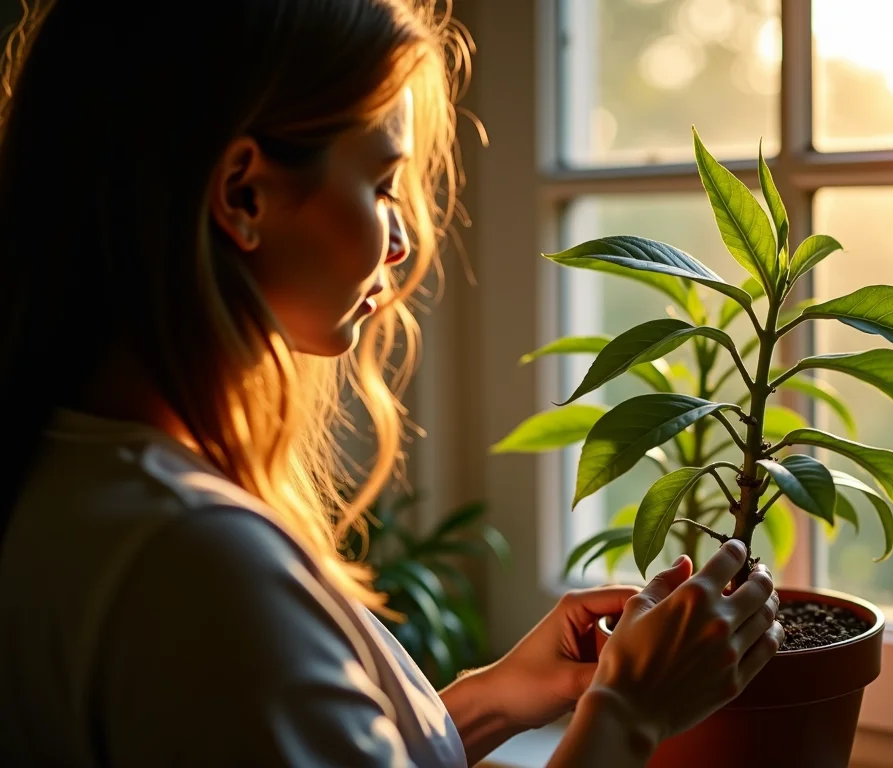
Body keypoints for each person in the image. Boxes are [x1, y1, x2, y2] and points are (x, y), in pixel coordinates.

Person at [0, 0, 784, 766]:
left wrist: (492, 699)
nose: (404, 241)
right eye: (380, 184)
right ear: (244, 195)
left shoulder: (80, 478)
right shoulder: (192, 563)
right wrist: (630, 713)